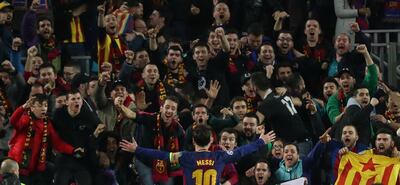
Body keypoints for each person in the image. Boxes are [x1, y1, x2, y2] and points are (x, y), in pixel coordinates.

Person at [120, 124, 276, 185]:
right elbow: (242, 151)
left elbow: (160, 155)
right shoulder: (221, 156)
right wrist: (260, 141)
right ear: (211, 141)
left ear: (193, 140)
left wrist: (137, 149)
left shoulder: (185, 157)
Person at [8, 94, 83, 185]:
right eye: (40, 106)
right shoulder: (25, 118)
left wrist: (73, 150)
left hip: (37, 168)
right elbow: (13, 121)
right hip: (19, 167)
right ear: (32, 108)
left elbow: (57, 142)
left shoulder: (47, 124)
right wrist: (23, 107)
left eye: (45, 105)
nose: (43, 108)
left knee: (54, 170)